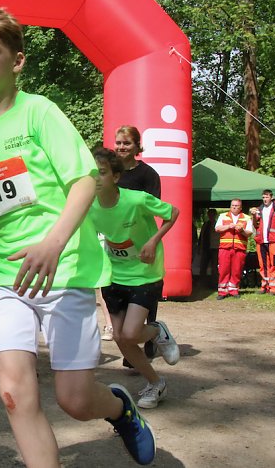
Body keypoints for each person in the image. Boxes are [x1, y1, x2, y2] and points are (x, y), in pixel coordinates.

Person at [0, 7, 156, 466]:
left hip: (63, 267)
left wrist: (53, 243)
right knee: (13, 395)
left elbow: (85, 180)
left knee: (74, 400)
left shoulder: (40, 112)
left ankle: (119, 408)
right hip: (1, 273)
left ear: (18, 61)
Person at [89, 148, 181, 409]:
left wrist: (153, 240)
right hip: (114, 275)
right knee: (120, 337)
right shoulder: (89, 206)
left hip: (144, 273)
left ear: (116, 177)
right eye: (93, 172)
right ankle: (156, 384)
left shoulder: (137, 200)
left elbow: (172, 213)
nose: (97, 177)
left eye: (103, 172)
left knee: (130, 334)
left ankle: (157, 330)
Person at [114, 125, 161, 361]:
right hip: (115, 243)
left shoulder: (148, 174)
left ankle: (154, 333)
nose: (121, 148)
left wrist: (151, 242)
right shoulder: (110, 172)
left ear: (136, 147)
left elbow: (156, 209)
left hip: (141, 244)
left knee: (143, 296)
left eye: (126, 144)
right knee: (120, 300)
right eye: (119, 143)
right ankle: (130, 350)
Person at [214, 199, 255, 299]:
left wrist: (241, 230)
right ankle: (222, 291)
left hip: (239, 248)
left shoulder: (246, 218)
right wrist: (228, 226)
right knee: (223, 269)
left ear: (241, 207)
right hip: (225, 247)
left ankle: (234, 290)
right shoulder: (223, 216)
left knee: (237, 270)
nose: (235, 207)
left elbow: (249, 233)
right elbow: (217, 228)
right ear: (230, 206)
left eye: (237, 206)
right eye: (233, 205)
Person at [249, 190, 275, 295]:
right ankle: (264, 286)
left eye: (266, 197)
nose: (265, 199)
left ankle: (274, 288)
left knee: (274, 264)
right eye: (263, 197)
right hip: (261, 241)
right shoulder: (259, 210)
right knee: (263, 265)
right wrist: (253, 216)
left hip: (274, 241)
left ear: (272, 197)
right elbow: (255, 225)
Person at [197, 209, 219, 286]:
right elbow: (201, 236)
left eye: (212, 215)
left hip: (215, 247)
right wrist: (199, 246)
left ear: (215, 215)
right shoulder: (205, 224)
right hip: (205, 247)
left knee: (214, 266)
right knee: (203, 265)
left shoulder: (218, 224)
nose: (210, 216)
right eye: (209, 215)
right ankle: (202, 282)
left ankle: (214, 283)